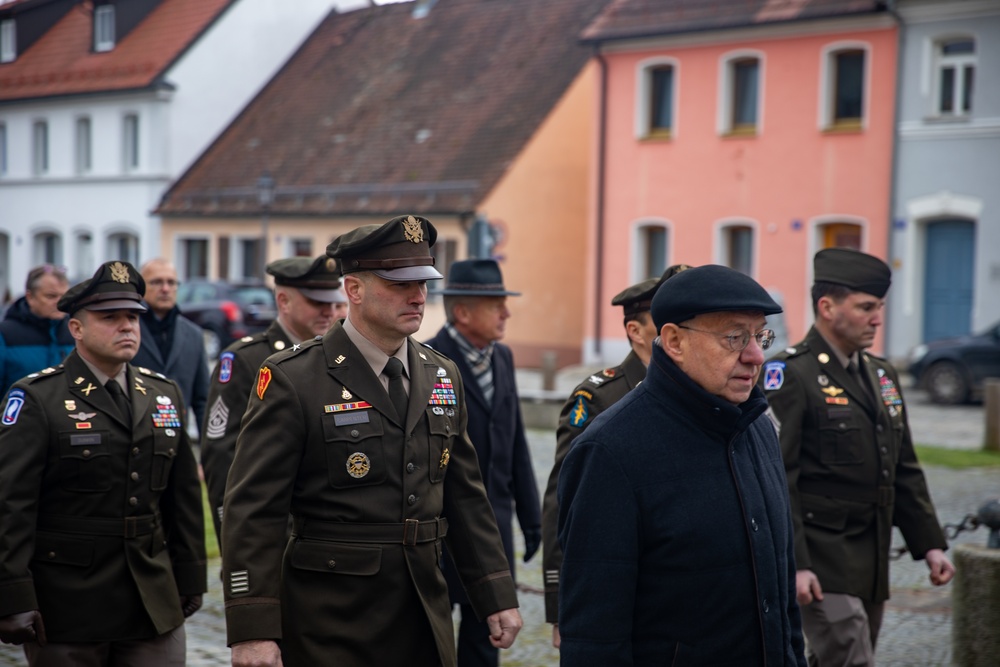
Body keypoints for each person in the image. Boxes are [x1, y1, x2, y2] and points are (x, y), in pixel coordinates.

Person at [221, 215, 521, 667]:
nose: (418, 296)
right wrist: (253, 629)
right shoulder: (293, 379)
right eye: (400, 283)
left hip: (423, 609)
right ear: (354, 290)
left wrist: (495, 590)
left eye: (423, 282)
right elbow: (254, 511)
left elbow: (464, 495)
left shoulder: (442, 373)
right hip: (332, 617)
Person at [558, 264, 806, 665]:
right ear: (673, 341)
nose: (756, 355)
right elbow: (594, 634)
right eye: (734, 337)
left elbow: (779, 592)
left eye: (760, 335)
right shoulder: (610, 451)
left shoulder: (758, 428)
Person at [0, 260, 207, 665]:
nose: (127, 326)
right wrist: (12, 595)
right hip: (68, 603)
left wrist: (191, 575)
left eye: (132, 316)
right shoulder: (38, 399)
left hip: (152, 598)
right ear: (76, 328)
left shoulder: (163, 395)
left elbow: (182, 498)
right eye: (110, 317)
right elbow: (11, 505)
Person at [761, 248, 953, 666]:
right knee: (851, 658)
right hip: (822, 556)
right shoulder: (791, 374)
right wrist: (796, 564)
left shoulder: (882, 374)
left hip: (871, 557)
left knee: (838, 658)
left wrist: (931, 545)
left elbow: (902, 467)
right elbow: (779, 479)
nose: (878, 318)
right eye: (866, 307)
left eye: (880, 307)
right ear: (827, 307)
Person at [540, 263, 689, 647]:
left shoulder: (702, 392)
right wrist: (560, 602)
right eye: (666, 322)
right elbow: (564, 502)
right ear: (635, 332)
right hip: (621, 580)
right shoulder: (600, 397)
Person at [424, 258, 541, 667]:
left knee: (485, 639)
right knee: (433, 641)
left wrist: (531, 519)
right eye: (496, 304)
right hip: (443, 534)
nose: (506, 313)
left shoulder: (502, 358)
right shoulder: (426, 362)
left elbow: (515, 445)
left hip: (493, 531)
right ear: (463, 311)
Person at [200, 254, 347, 547]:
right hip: (274, 534)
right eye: (317, 303)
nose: (329, 312)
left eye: (334, 303)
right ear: (283, 301)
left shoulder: (341, 358)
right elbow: (222, 459)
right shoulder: (247, 360)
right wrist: (237, 542)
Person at [132, 258, 210, 430]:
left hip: (177, 442)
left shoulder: (193, 335)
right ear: (140, 287)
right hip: (135, 440)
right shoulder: (128, 330)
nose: (165, 289)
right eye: (157, 282)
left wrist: (208, 452)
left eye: (171, 282)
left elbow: (202, 400)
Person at [0, 264, 74, 395]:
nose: (60, 302)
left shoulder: (76, 332)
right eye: (51, 296)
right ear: (30, 297)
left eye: (64, 296)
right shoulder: (5, 335)